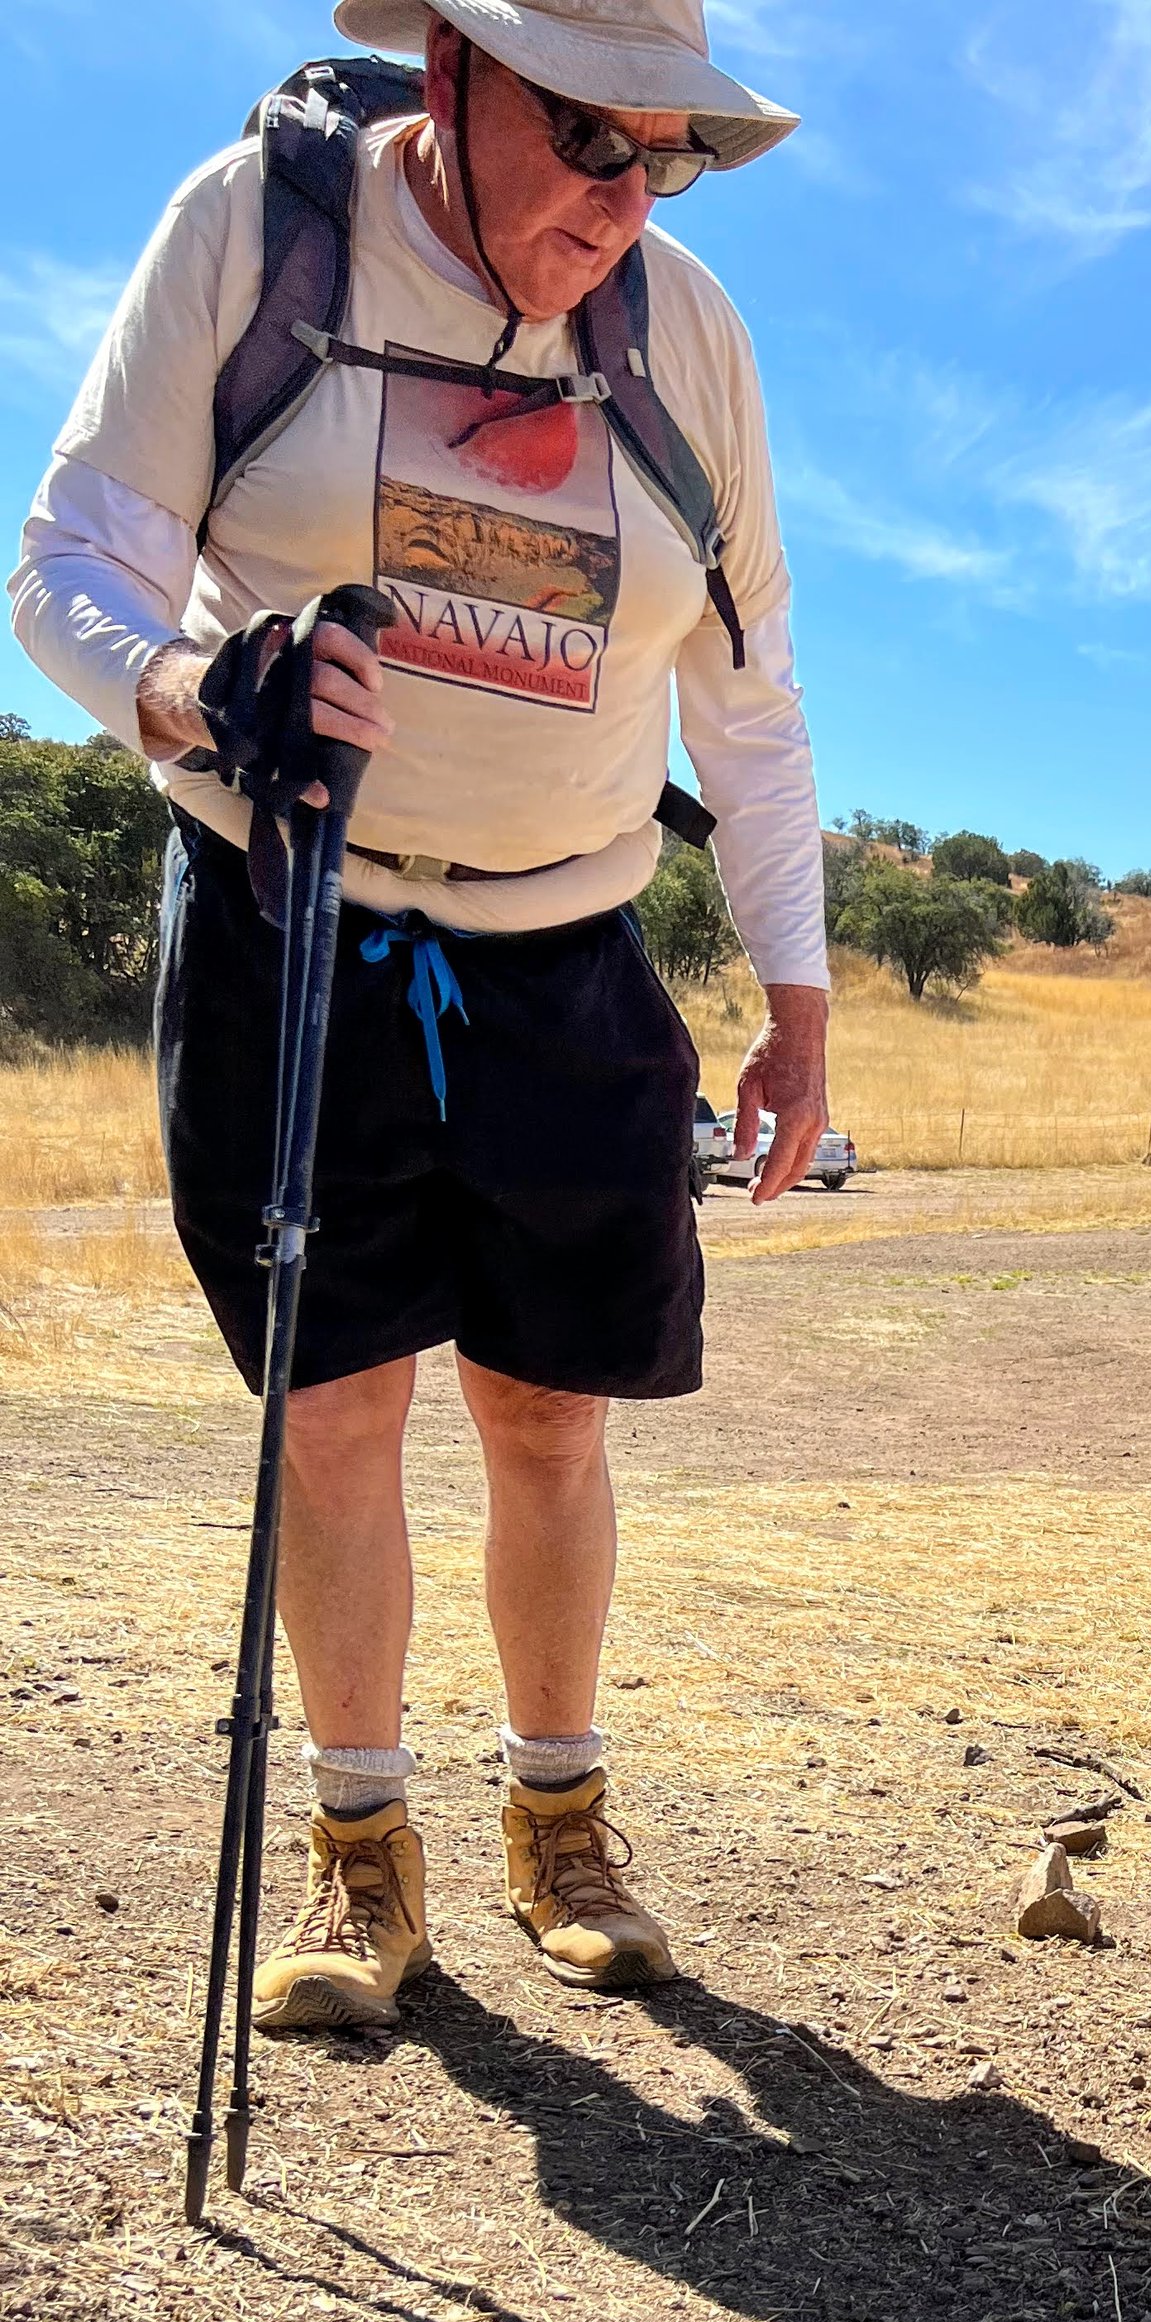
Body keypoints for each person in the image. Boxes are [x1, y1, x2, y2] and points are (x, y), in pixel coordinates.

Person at [9, 0, 828, 2030]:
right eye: (588, 139)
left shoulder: (683, 332)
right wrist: (191, 693)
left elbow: (748, 688)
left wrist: (796, 991)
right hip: (295, 910)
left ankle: (562, 1813)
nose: (623, 201)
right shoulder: (258, 231)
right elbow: (68, 569)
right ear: (450, 75)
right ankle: (360, 1854)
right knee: (333, 1405)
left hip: (567, 947)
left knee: (552, 1411)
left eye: (671, 156)